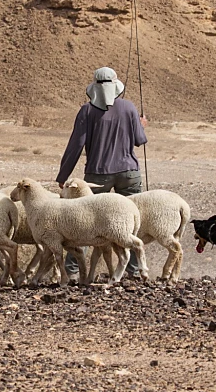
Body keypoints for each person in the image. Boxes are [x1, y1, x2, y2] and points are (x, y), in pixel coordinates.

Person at [56, 66, 148, 281]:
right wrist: (141, 124)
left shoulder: (86, 111)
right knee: (132, 223)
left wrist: (63, 176)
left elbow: (75, 147)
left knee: (86, 223)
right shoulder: (128, 107)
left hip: (97, 175)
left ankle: (73, 270)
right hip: (129, 172)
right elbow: (140, 140)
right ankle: (134, 271)